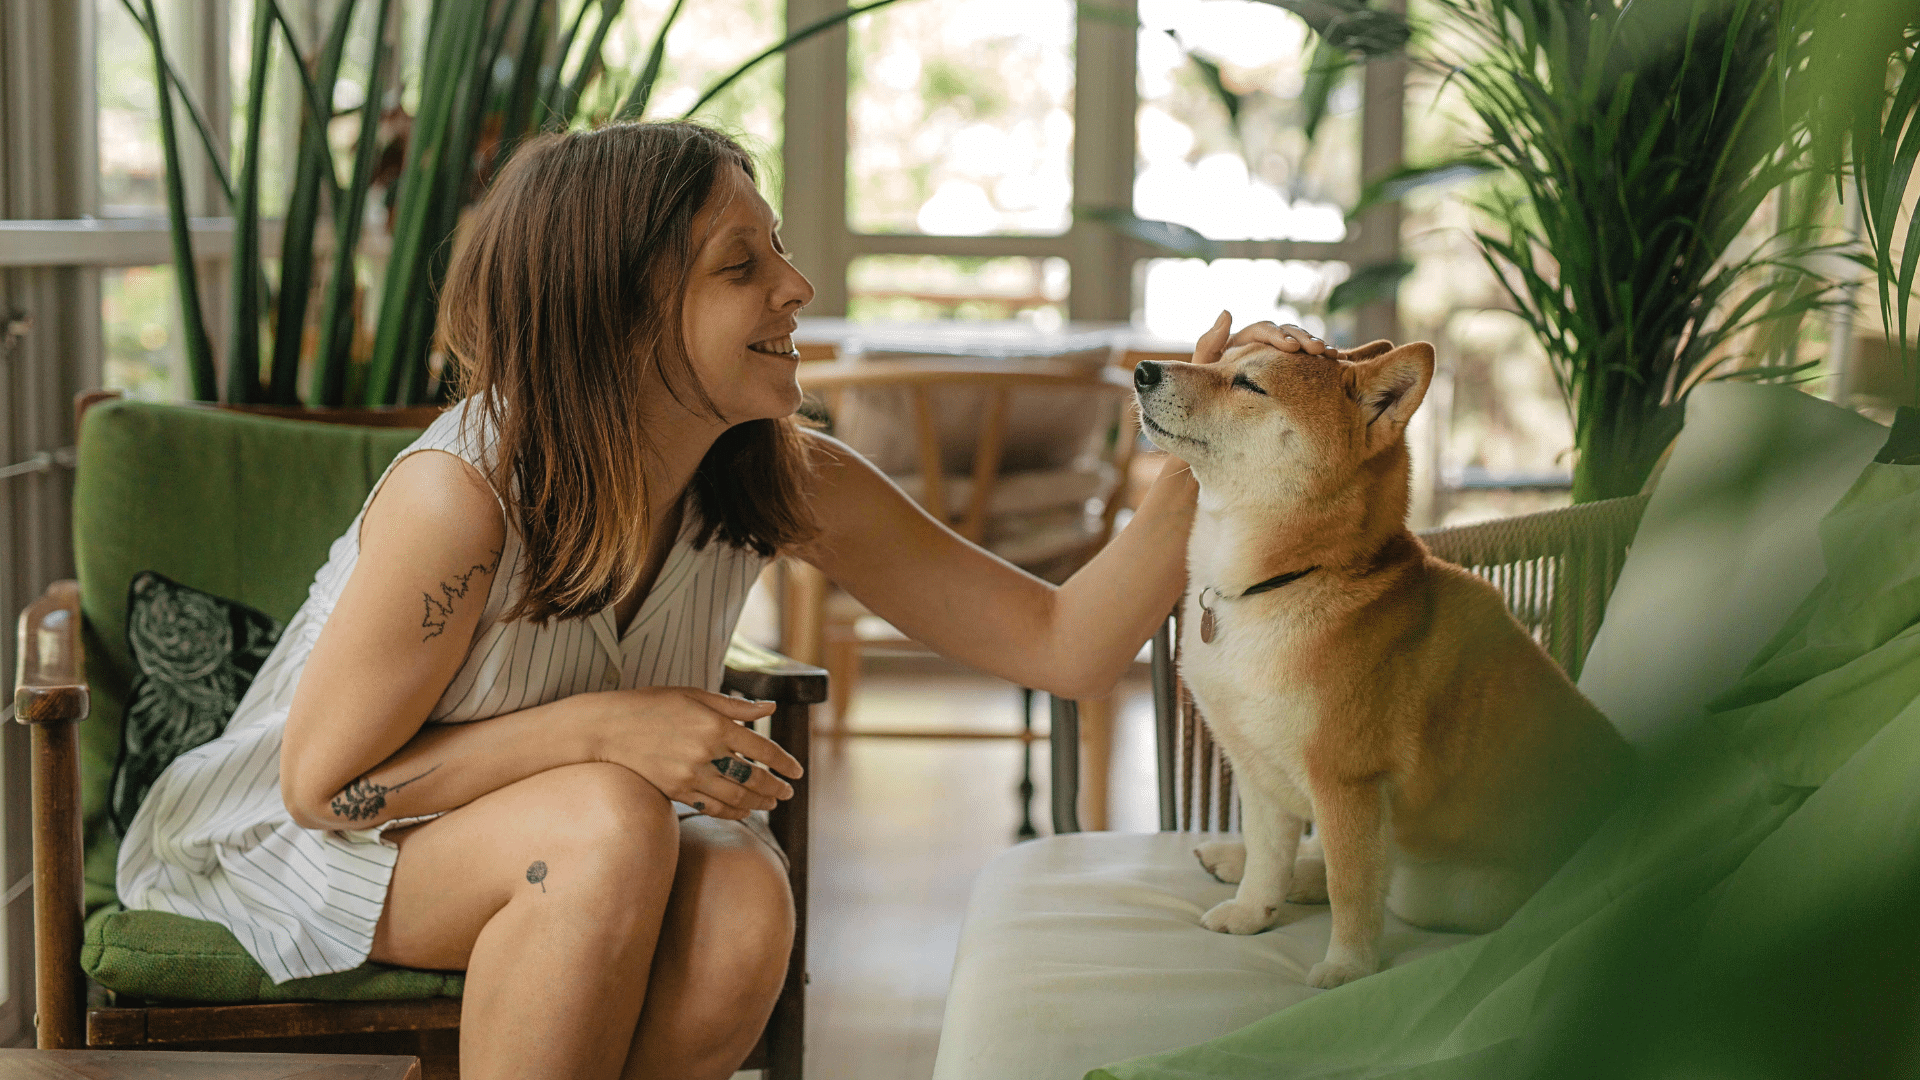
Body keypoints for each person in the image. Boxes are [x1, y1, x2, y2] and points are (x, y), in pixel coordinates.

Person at [115, 121, 1341, 1080]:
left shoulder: (776, 475)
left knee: (745, 900)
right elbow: (322, 789)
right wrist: (607, 730)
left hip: (567, 832)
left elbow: (1061, 644)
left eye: (780, 251)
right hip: (297, 843)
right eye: (740, 266)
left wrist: (1213, 441)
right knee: (604, 819)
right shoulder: (464, 495)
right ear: (615, 311)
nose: (798, 286)